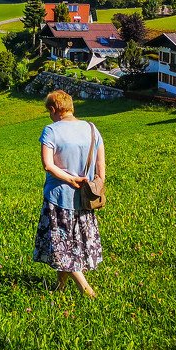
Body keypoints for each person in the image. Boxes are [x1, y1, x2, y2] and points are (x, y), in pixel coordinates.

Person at [33, 89, 105, 297]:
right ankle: (60, 286)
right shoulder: (92, 129)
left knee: (61, 247)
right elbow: (101, 163)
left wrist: (69, 179)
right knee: (70, 243)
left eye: (49, 111)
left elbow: (47, 165)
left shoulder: (51, 131)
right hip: (85, 198)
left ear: (54, 109)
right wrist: (98, 184)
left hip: (58, 197)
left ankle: (87, 290)